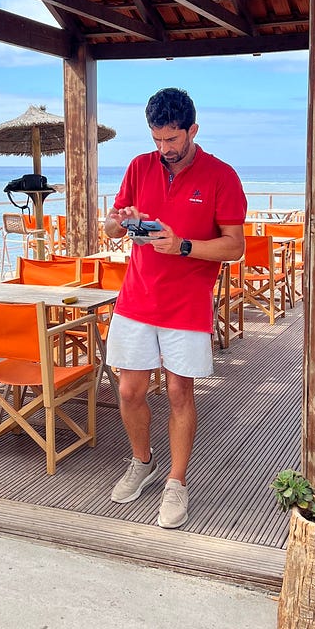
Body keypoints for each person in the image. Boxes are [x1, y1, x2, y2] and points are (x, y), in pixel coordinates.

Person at [103, 88, 247, 529]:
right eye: (156, 139)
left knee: (181, 394)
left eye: (172, 139)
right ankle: (142, 462)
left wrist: (182, 246)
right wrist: (121, 221)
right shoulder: (139, 166)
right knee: (128, 392)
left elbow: (235, 246)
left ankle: (176, 483)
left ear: (192, 131)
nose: (163, 149)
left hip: (186, 303)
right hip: (137, 296)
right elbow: (109, 228)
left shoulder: (221, 175)